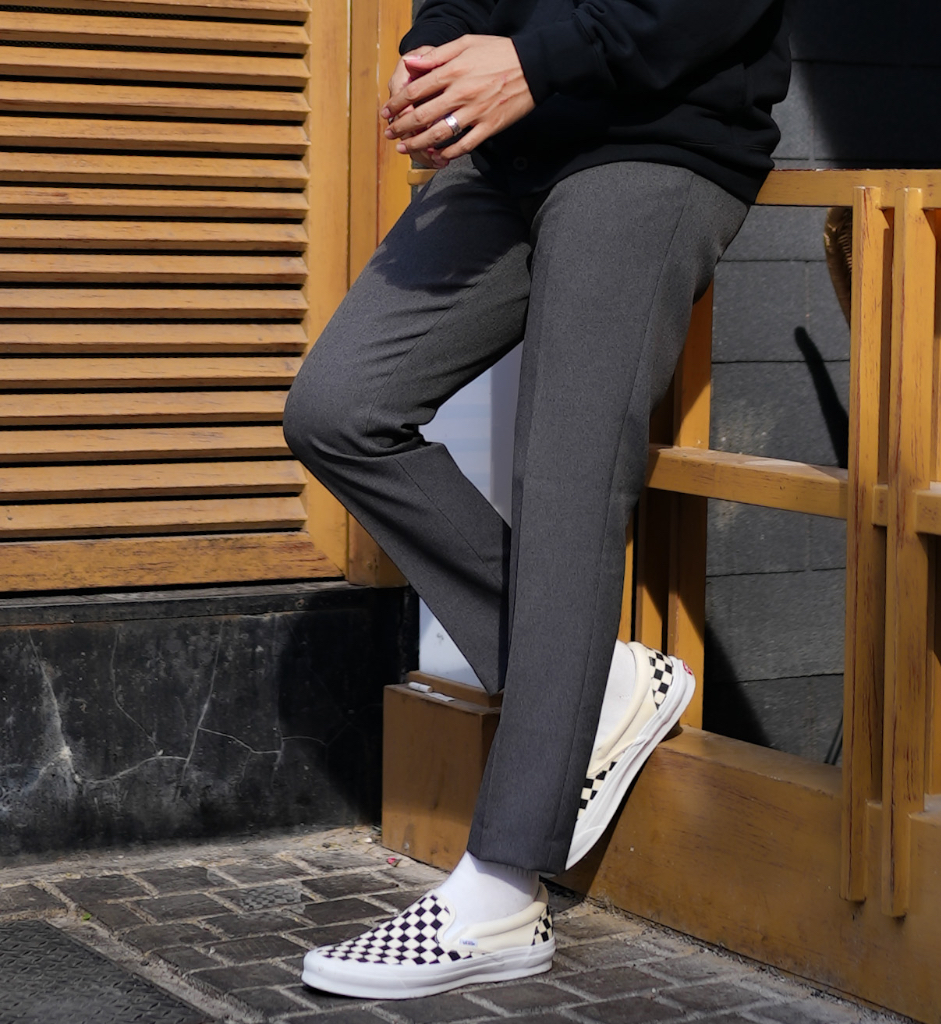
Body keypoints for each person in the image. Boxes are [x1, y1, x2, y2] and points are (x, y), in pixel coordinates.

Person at [285, 0, 790, 1000]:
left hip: (654, 142)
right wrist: (432, 56)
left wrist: (531, 60)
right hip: (508, 153)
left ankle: (505, 891)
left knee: (565, 473)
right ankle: (596, 684)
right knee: (337, 408)